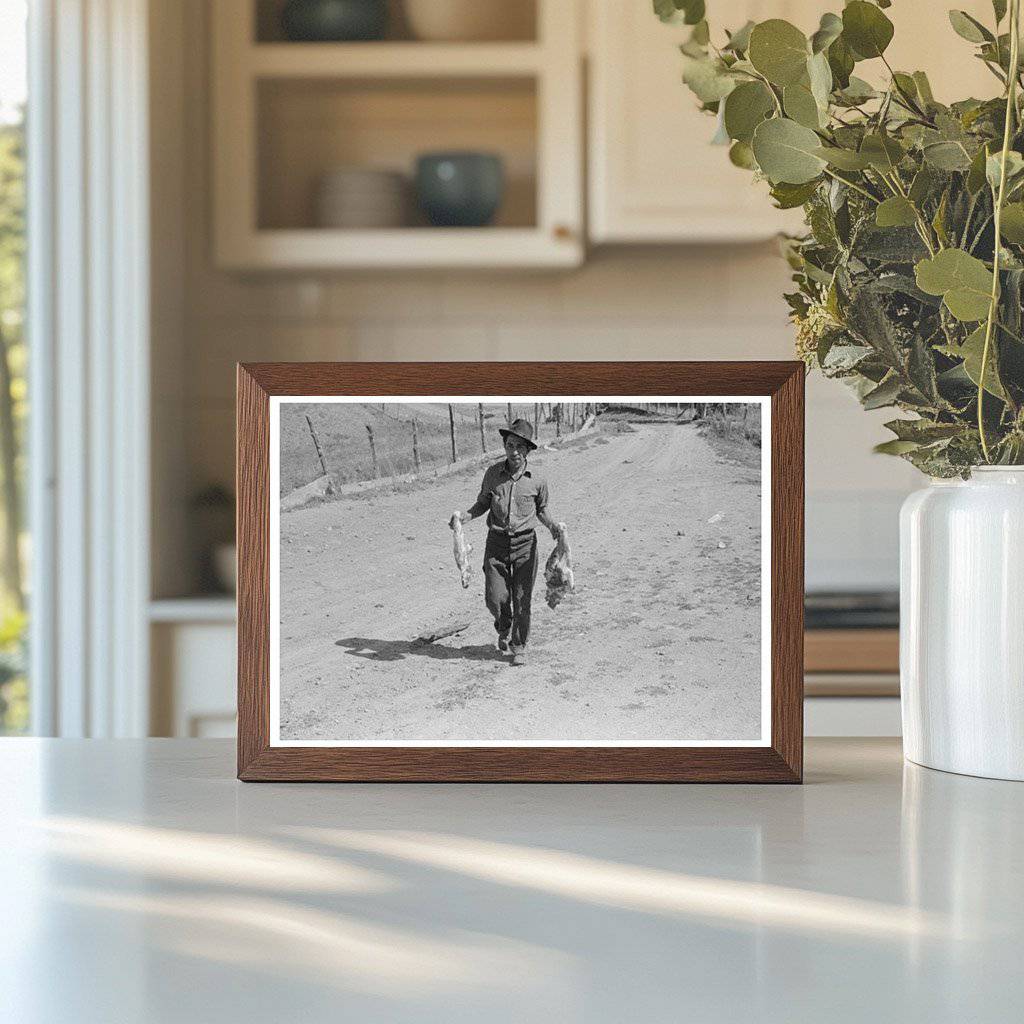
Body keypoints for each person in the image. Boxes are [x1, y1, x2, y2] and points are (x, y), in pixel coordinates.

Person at [451, 418, 559, 666]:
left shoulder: (537, 480)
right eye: (510, 445)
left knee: (522, 598)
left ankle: (518, 645)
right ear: (504, 446)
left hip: (525, 546)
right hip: (497, 545)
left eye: (520, 447)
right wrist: (465, 517)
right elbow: (482, 503)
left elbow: (542, 510)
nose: (514, 452)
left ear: (528, 450)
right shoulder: (493, 474)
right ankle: (504, 625)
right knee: (495, 596)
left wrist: (553, 526)